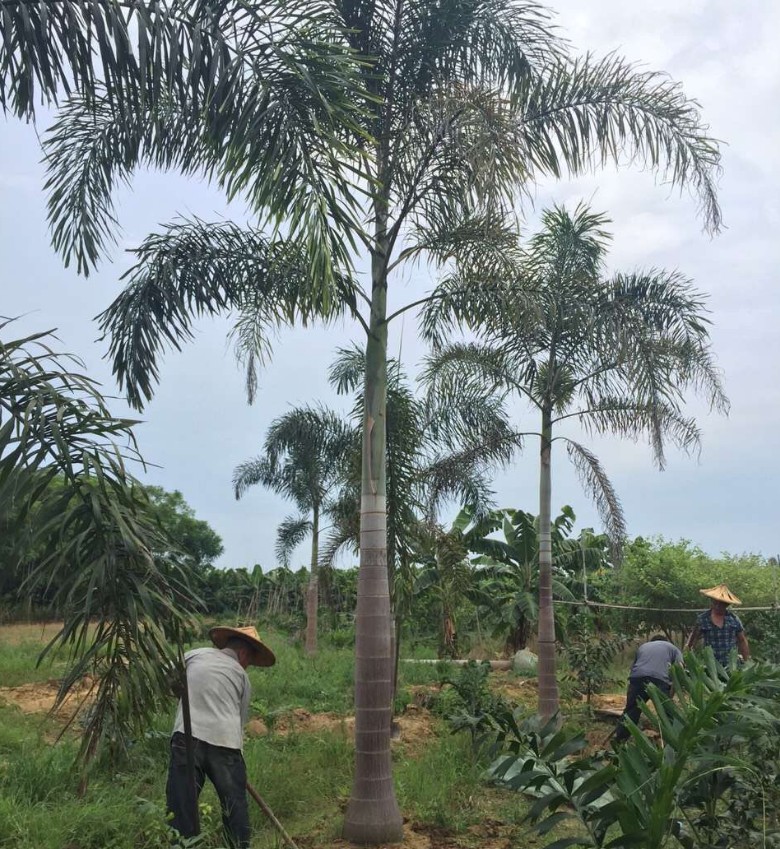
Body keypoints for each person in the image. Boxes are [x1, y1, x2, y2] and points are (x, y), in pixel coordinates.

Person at [166, 625, 275, 848]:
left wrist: (182, 690)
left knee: (182, 804)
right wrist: (235, 769)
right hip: (225, 742)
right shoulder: (242, 677)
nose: (247, 666)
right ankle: (237, 845)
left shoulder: (196, 654)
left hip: (187, 736)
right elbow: (239, 721)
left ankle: (183, 844)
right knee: (234, 804)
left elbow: (167, 675)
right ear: (244, 654)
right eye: (249, 661)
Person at [614, 634, 682, 743]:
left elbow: (633, 667)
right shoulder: (673, 648)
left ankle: (619, 742)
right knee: (667, 712)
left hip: (637, 677)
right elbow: (680, 668)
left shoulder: (643, 647)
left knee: (631, 711)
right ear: (666, 641)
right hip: (659, 679)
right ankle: (672, 742)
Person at [685, 583, 750, 667]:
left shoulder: (734, 619)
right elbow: (692, 641)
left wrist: (747, 661)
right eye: (715, 603)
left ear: (727, 604)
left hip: (731, 665)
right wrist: (687, 660)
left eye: (721, 604)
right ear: (712, 601)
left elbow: (742, 641)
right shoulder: (703, 619)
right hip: (711, 666)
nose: (718, 606)